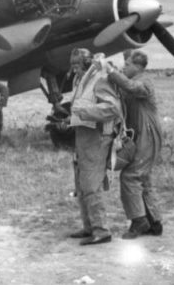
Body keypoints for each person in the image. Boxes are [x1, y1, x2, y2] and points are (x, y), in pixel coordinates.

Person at [107, 50, 164, 239]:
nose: (124, 66)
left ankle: (139, 221)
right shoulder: (132, 80)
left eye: (127, 64)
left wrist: (111, 72)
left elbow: (132, 87)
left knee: (131, 176)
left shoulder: (144, 81)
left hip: (148, 135)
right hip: (140, 135)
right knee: (143, 178)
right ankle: (154, 221)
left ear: (137, 66)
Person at [68, 49, 123, 245]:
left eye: (77, 66)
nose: (74, 70)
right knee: (82, 186)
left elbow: (112, 109)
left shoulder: (99, 80)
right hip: (83, 136)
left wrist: (83, 111)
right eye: (72, 66)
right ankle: (89, 227)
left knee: (91, 185)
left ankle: (102, 230)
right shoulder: (84, 80)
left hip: (97, 138)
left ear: (85, 63)